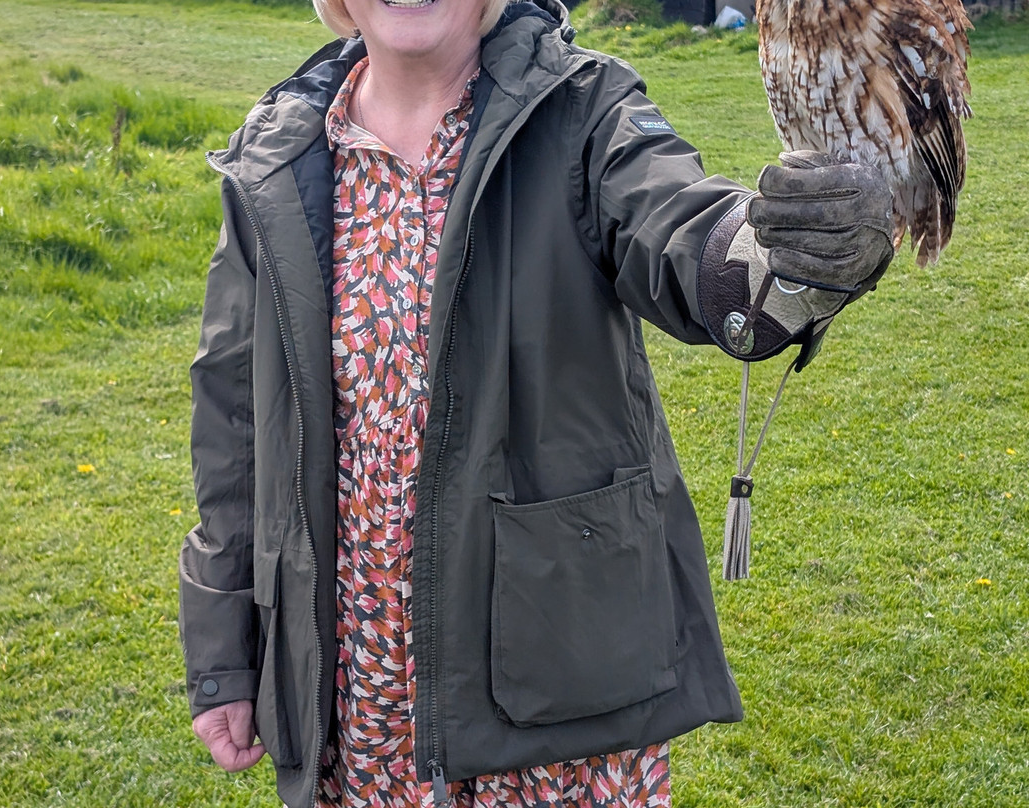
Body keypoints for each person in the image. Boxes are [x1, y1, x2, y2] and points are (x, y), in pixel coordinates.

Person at [178, 1, 893, 806]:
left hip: (554, 683)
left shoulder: (582, 110)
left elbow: (680, 228)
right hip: (359, 690)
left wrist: (782, 259)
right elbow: (233, 420)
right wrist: (222, 648)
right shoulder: (280, 154)